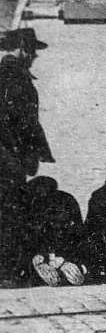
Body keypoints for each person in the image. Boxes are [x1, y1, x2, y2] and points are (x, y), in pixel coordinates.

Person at [0, 27, 52, 288]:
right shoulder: (14, 76)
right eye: (32, 51)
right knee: (11, 214)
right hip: (9, 158)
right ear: (23, 48)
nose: (34, 57)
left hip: (7, 155)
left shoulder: (5, 73)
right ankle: (8, 274)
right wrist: (26, 156)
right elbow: (21, 123)